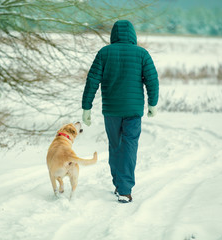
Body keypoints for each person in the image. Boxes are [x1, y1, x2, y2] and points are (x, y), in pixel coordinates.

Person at [81, 20, 159, 203]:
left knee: (115, 146)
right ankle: (124, 190)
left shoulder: (104, 53)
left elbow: (92, 81)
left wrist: (87, 106)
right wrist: (152, 104)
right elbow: (152, 80)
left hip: (112, 110)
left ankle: (119, 184)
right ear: (133, 34)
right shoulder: (142, 54)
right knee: (129, 146)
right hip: (133, 110)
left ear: (113, 35)